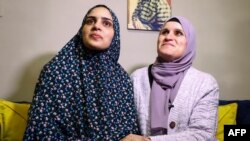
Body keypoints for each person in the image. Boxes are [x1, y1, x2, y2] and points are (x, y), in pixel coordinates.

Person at [23, 4, 140, 140]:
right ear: (81, 31)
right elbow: (40, 132)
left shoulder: (122, 78)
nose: (96, 26)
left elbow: (130, 132)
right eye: (90, 21)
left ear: (115, 35)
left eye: (106, 23)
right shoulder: (56, 71)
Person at [121, 16, 219, 141]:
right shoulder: (137, 78)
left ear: (189, 42)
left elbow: (203, 134)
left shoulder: (205, 83)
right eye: (164, 32)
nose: (168, 37)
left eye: (178, 33)